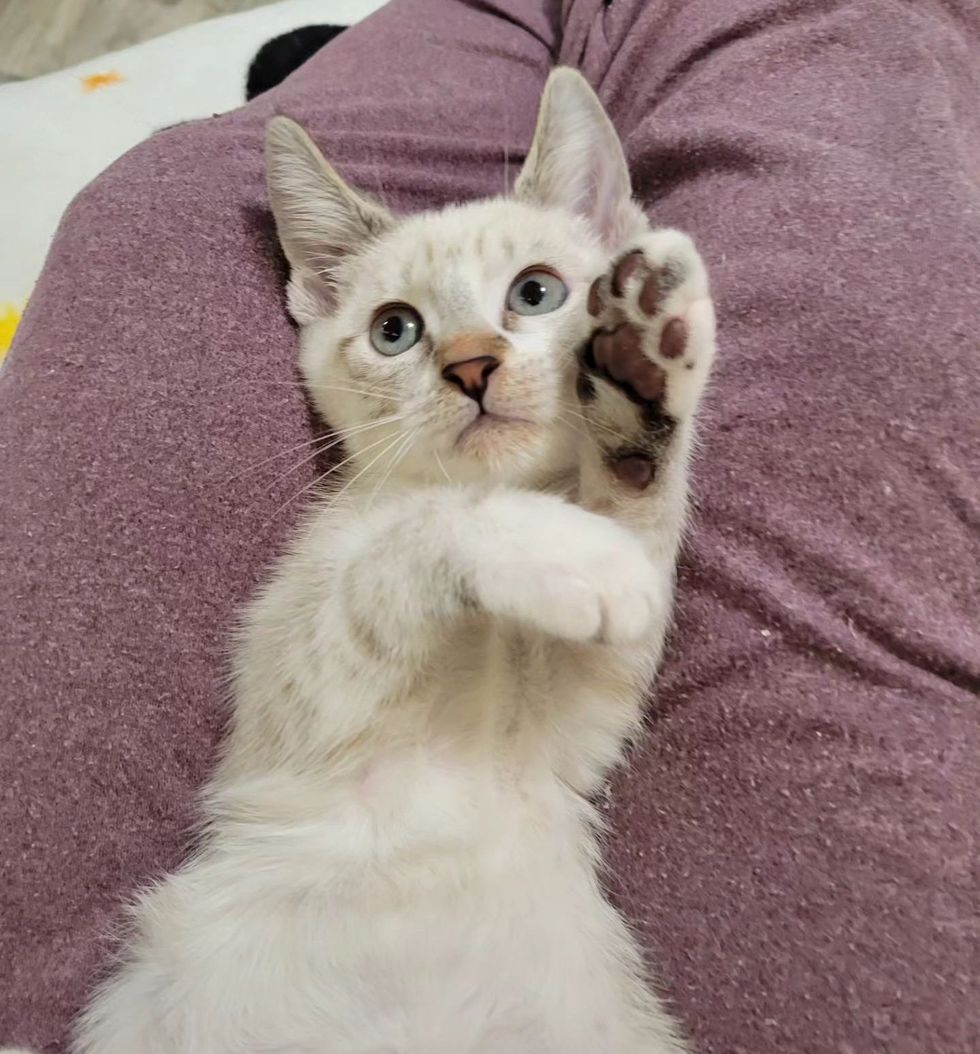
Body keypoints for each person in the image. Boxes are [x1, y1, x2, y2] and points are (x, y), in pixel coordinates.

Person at [2, 1, 977, 1050]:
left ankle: (630, 429)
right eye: (392, 327)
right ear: (315, 296)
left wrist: (627, 480)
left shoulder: (544, 527)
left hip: (529, 965)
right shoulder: (356, 530)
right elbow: (315, 714)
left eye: (532, 292)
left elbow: (597, 661)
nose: (468, 357)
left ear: (605, 250)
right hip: (256, 965)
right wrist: (466, 542)